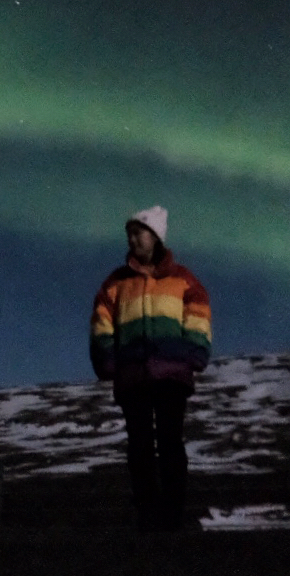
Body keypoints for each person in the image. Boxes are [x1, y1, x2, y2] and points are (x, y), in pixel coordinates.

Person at [88, 205, 212, 531]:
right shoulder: (116, 283)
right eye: (129, 233)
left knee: (170, 442)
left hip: (171, 375)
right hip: (133, 376)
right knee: (140, 445)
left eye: (138, 232)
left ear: (155, 237)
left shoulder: (183, 279)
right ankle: (147, 513)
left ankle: (172, 514)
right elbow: (102, 323)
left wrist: (195, 353)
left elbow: (197, 314)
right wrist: (107, 361)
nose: (132, 239)